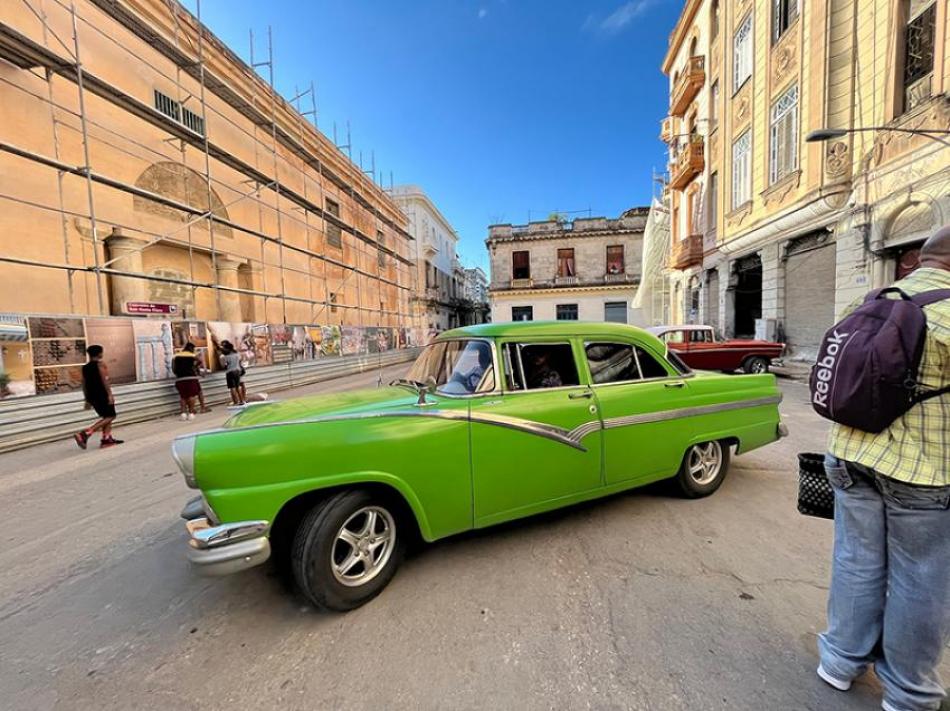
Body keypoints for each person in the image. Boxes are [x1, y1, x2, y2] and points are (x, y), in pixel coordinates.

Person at [817, 226, 950, 711]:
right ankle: (909, 693)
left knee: (855, 560)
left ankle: (839, 661)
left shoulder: (873, 299)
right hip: (922, 468)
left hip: (849, 453)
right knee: (920, 578)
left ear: (919, 259)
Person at [74, 344, 123, 449]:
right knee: (111, 416)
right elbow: (105, 380)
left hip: (92, 396)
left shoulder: (85, 367)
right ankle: (86, 433)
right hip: (102, 394)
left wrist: (87, 399)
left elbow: (84, 384)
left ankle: (106, 439)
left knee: (107, 416)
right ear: (100, 354)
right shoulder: (100, 365)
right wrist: (110, 394)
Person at [172, 342, 203, 420]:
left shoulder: (176, 355)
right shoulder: (192, 355)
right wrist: (194, 366)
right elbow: (200, 361)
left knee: (183, 396)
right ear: (191, 348)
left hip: (180, 379)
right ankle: (191, 413)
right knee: (191, 396)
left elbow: (173, 368)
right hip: (190, 378)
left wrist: (177, 373)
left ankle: (183, 414)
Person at [219, 340, 246, 406]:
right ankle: (241, 401)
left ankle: (235, 401)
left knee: (232, 387)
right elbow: (240, 360)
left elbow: (223, 366)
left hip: (230, 372)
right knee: (237, 386)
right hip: (237, 371)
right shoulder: (237, 354)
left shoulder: (224, 357)